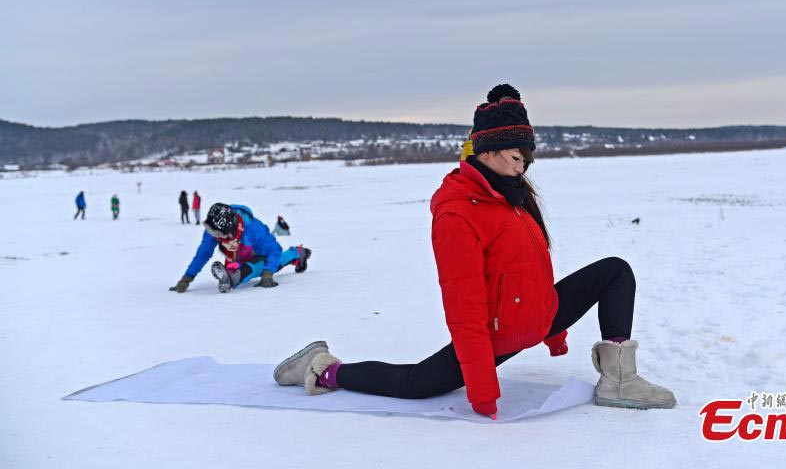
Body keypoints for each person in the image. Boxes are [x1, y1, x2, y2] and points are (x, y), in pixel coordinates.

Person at [273, 84, 675, 419]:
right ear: (487, 152)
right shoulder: (458, 213)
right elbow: (463, 306)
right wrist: (482, 390)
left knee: (615, 270)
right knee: (417, 383)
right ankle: (324, 370)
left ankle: (619, 379)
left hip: (536, 315)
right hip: (497, 333)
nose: (522, 169)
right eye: (516, 159)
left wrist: (553, 330)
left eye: (526, 161)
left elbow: (533, 271)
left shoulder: (510, 194)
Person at [169, 203, 312, 294]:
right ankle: (232, 276)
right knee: (236, 266)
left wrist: (268, 273)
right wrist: (187, 277)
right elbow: (203, 253)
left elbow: (274, 250)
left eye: (218, 234)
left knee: (269, 263)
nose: (214, 236)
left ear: (229, 229)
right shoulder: (215, 227)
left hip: (263, 255)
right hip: (239, 255)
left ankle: (298, 252)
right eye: (211, 232)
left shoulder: (254, 228)